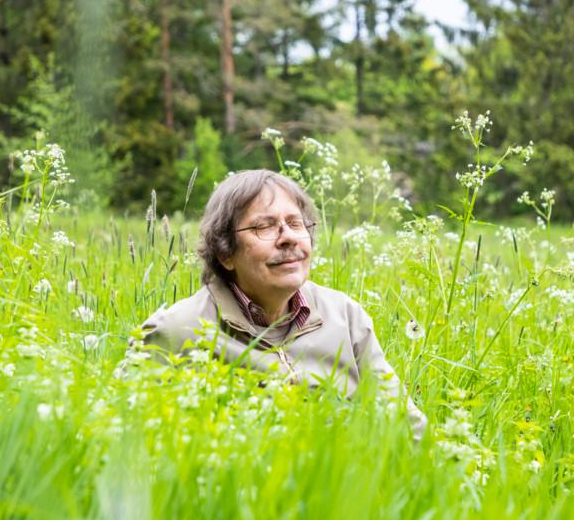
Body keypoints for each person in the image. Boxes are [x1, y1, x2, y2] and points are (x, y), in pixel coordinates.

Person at [139, 169, 426, 441]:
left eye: (295, 223)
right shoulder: (178, 330)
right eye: (264, 226)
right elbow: (129, 440)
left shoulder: (345, 316)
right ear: (225, 253)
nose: (288, 237)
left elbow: (405, 423)